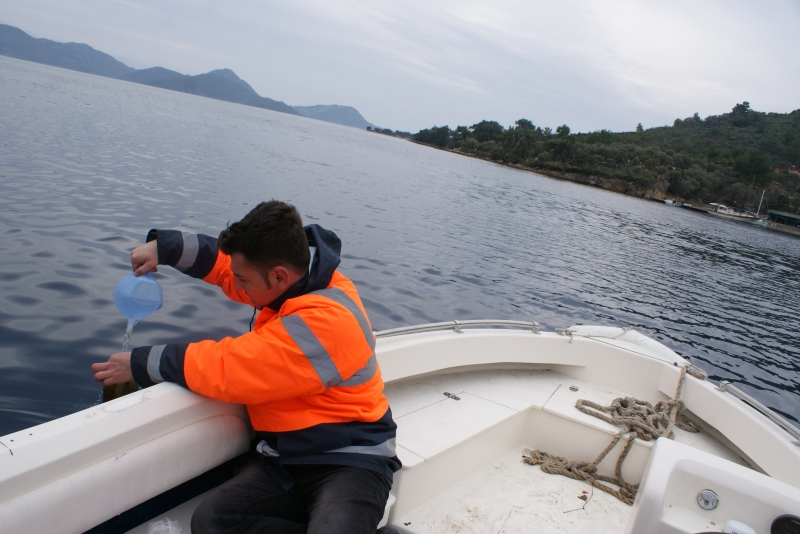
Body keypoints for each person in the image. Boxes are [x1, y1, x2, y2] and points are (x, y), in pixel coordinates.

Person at [92, 200, 400, 534]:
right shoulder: (297, 280)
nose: (236, 287)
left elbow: (232, 368)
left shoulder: (328, 321)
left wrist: (140, 363)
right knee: (212, 522)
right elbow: (227, 266)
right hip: (285, 458)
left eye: (244, 281)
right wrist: (164, 249)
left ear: (279, 276)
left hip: (350, 458)